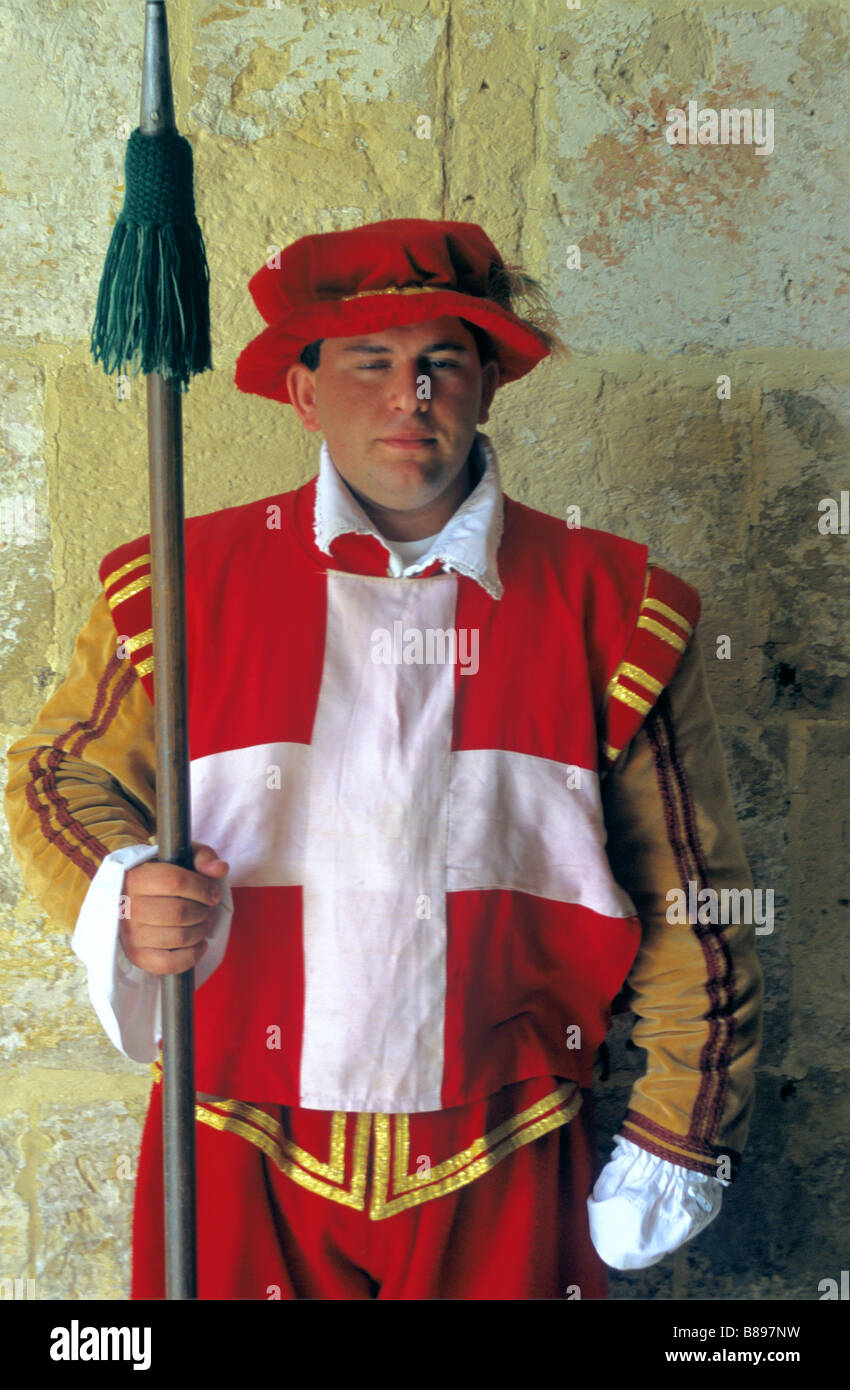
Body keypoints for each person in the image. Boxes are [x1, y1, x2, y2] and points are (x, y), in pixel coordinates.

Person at [4, 217, 763, 1300]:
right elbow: (55, 775)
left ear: (488, 384)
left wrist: (680, 1126)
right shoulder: (184, 584)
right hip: (237, 1135)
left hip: (509, 1138)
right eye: (370, 363)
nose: (409, 397)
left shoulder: (611, 604)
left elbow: (692, 902)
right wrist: (123, 889)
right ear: (306, 392)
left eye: (440, 364)